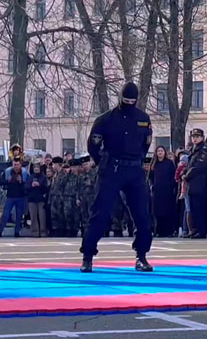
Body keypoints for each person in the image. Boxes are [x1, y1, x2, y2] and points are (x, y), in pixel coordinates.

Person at [80, 82, 153, 273]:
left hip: (134, 171)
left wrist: (137, 160)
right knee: (100, 213)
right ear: (120, 98)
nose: (129, 103)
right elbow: (93, 146)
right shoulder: (105, 120)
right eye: (126, 100)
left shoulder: (143, 119)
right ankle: (87, 256)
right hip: (112, 170)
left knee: (142, 215)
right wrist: (102, 161)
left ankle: (141, 256)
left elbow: (146, 144)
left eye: (132, 101)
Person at [183, 129, 207, 238]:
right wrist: (184, 172)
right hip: (193, 184)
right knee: (194, 208)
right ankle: (195, 229)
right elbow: (190, 165)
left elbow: (198, 166)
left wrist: (187, 175)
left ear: (202, 137)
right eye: (193, 136)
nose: (195, 138)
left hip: (200, 183)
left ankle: (201, 230)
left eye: (197, 136)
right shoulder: (194, 150)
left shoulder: (203, 151)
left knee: (200, 208)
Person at [0, 157, 30, 238]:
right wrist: (8, 181)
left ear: (20, 165)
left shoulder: (24, 173)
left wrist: (21, 182)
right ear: (12, 164)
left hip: (21, 197)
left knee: (19, 216)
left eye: (17, 165)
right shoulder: (8, 172)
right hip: (10, 197)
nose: (16, 166)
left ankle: (17, 232)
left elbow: (28, 185)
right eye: (14, 164)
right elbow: (1, 182)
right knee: (5, 215)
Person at [151, 146, 177, 237]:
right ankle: (158, 230)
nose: (160, 153)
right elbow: (150, 177)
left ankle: (168, 231)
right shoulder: (154, 164)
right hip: (157, 192)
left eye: (162, 151)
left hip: (167, 191)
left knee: (167, 211)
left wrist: (172, 187)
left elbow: (174, 176)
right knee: (157, 212)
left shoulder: (169, 163)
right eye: (158, 151)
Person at [27, 163, 49, 237]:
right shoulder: (30, 177)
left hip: (41, 199)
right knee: (33, 217)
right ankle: (34, 232)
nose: (36, 169)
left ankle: (43, 231)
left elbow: (46, 188)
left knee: (42, 216)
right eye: (35, 167)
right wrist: (31, 185)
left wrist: (39, 185)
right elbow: (25, 187)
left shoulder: (43, 177)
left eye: (37, 167)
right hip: (31, 199)